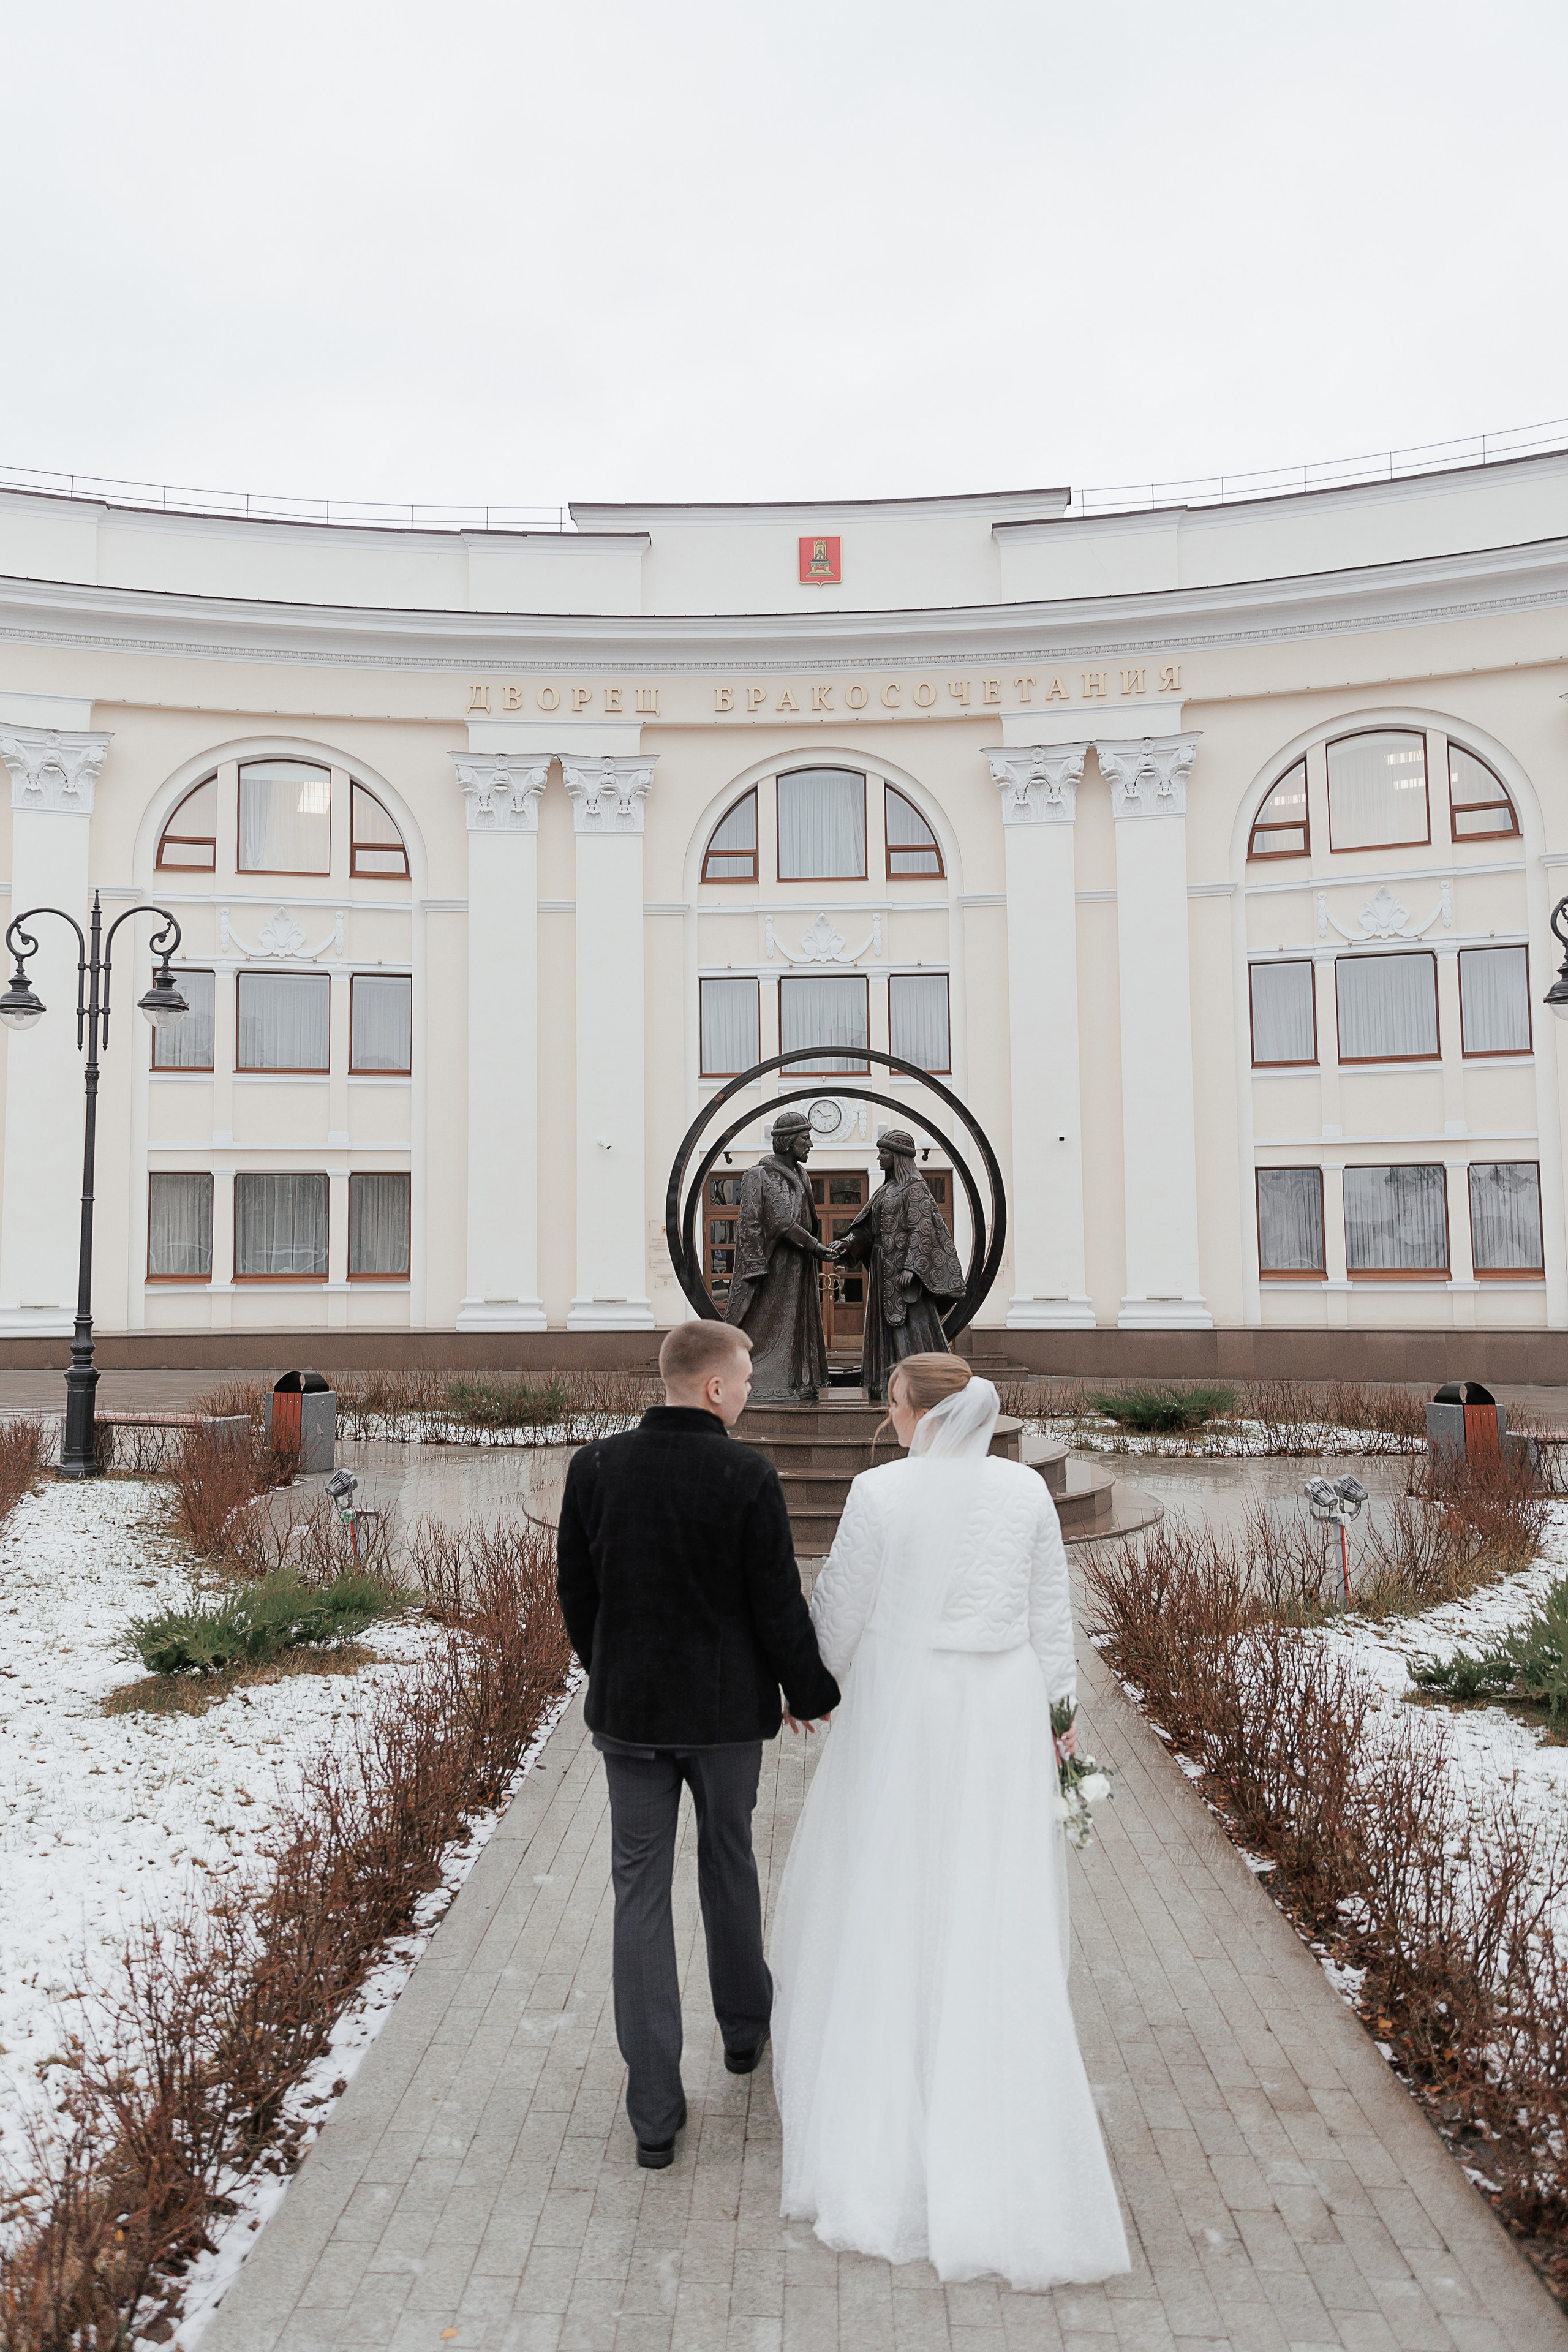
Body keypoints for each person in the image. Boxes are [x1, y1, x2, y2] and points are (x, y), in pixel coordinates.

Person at [770, 1352, 1130, 2288]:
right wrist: (1060, 1718)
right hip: (1002, 1702)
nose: (887, 1417)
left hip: (909, 1702)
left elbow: (842, 1611)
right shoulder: (1023, 1494)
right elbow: (1053, 1615)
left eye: (891, 1403)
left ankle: (891, 2091)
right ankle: (992, 2089)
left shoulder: (881, 1495)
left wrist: (811, 1688)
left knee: (895, 1879)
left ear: (916, 1410)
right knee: (989, 1886)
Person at [555, 1319, 840, 2169]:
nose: (752, 1389)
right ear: (713, 1388)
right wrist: (810, 1691)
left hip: (632, 1716)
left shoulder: (595, 1467)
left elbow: (576, 1587)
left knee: (638, 1889)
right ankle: (746, 2033)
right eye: (747, 1376)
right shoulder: (745, 1474)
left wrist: (608, 1667)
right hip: (722, 1721)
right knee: (729, 1860)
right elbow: (774, 1601)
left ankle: (653, 2113)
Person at [835, 1129, 965, 1401]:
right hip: (884, 1270)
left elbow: (922, 1229)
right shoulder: (887, 1189)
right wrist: (850, 1243)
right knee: (886, 1328)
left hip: (906, 1277)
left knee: (913, 1328)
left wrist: (911, 1267)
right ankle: (885, 1384)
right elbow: (869, 1228)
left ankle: (927, 1385)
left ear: (899, 1156)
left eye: (884, 1153)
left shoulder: (915, 1188)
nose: (880, 1158)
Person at [722, 1108, 836, 1401]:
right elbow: (782, 1221)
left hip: (799, 1265)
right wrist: (816, 1246)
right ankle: (765, 1379)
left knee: (797, 1321)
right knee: (772, 1322)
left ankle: (800, 1379)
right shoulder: (762, 1175)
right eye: (805, 1138)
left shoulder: (801, 1175)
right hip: (775, 1267)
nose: (810, 1144)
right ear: (787, 1142)